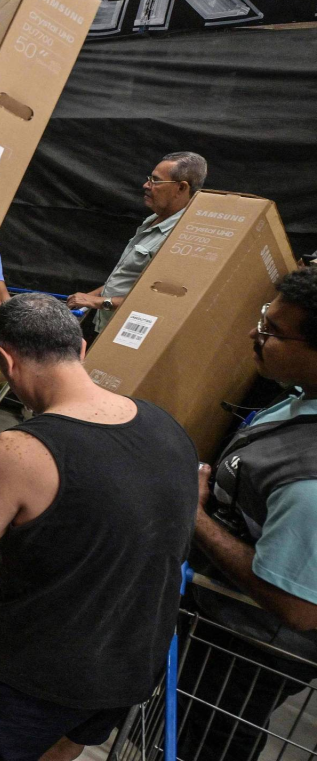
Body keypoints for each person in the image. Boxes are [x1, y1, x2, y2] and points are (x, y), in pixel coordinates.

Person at [0, 293, 198, 761]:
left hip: (33, 675)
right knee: (62, 750)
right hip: (128, 666)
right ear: (81, 347)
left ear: (6, 361)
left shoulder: (16, 452)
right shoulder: (166, 425)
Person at [183, 266, 317, 761]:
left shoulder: (309, 485)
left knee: (210, 742)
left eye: (273, 331)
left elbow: (299, 607)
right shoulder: (302, 396)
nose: (254, 334)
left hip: (251, 647)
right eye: (264, 318)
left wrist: (195, 517)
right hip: (219, 623)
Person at [67, 152, 206, 336]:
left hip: (133, 335)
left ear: (181, 188)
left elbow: (158, 300)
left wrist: (98, 302)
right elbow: (129, 279)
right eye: (150, 178)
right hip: (110, 329)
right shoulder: (154, 220)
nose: (146, 185)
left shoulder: (180, 237)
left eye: (156, 181)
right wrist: (90, 297)